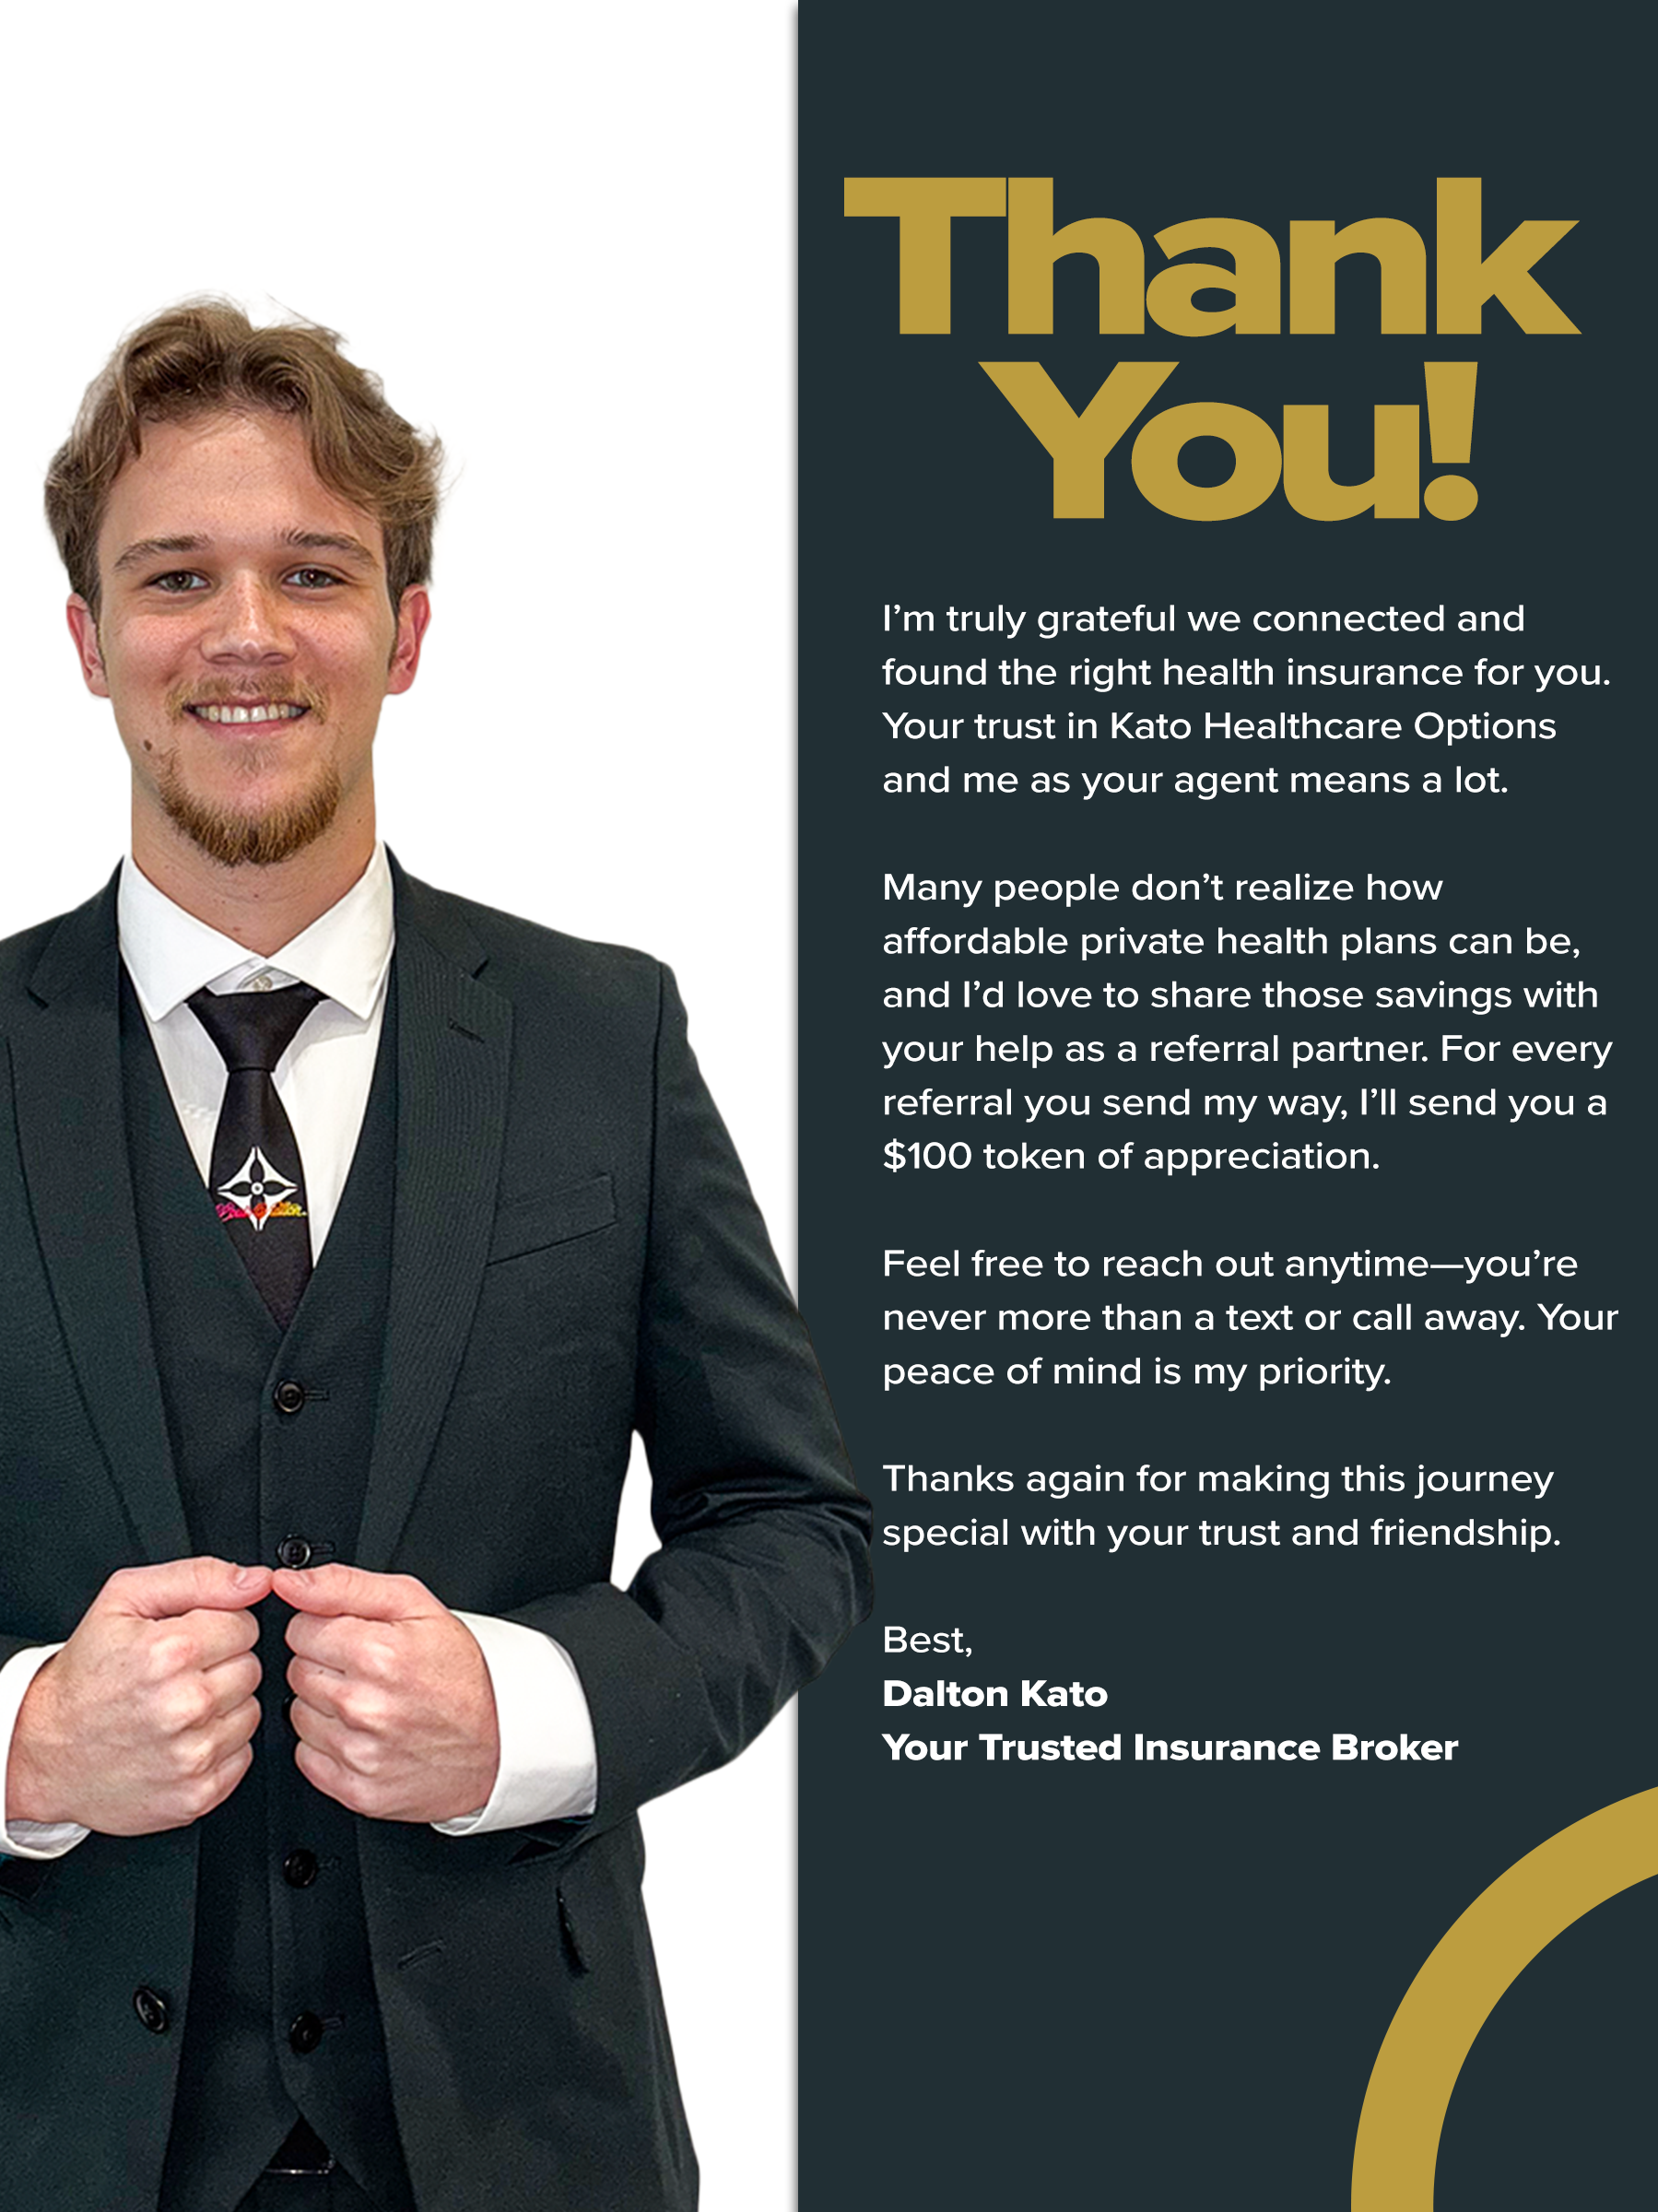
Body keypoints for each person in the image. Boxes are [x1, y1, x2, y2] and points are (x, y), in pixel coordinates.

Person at [0, 300, 870, 2211]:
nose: (244, 633)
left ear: (403, 632)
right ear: (87, 642)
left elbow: (791, 1520)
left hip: (526, 2136)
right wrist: (26, 1745)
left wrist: (533, 1713)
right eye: (176, 578)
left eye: (312, 572)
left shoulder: (598, 1039)